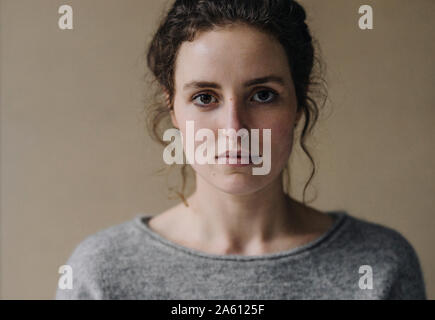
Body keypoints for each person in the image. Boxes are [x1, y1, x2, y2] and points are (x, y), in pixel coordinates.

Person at [55, 0, 427, 299]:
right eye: (204, 97)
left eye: (263, 95)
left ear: (298, 103)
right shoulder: (102, 273)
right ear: (172, 108)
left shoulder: (379, 265)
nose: (234, 129)